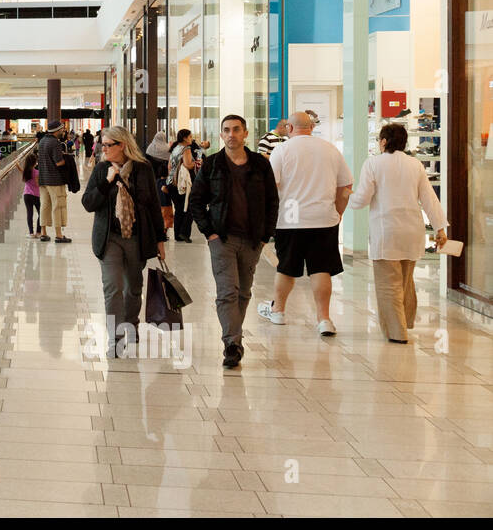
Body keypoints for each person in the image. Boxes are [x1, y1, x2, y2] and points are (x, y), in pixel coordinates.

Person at [189, 115, 279, 368]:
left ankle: (233, 338)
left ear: (245, 133)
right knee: (227, 292)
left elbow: (273, 201)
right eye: (226, 130)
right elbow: (196, 201)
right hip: (222, 238)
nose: (231, 135)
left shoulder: (260, 165)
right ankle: (232, 343)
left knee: (243, 292)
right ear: (221, 135)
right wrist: (210, 233)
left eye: (236, 130)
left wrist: (265, 236)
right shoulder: (212, 165)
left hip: (252, 240)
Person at [347, 123, 449, 343]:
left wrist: (348, 196)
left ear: (384, 141)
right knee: (405, 281)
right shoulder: (416, 165)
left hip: (387, 232)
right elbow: (429, 199)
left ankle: (397, 332)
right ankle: (405, 322)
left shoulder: (373, 164)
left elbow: (362, 200)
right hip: (412, 231)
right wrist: (440, 228)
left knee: (388, 284)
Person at [258, 111, 353, 336]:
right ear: (311, 127)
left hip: (290, 218)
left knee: (286, 267)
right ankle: (324, 320)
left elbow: (271, 186)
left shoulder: (282, 149)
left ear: (289, 128)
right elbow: (346, 185)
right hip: (323, 218)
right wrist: (339, 212)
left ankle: (278, 311)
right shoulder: (330, 149)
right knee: (321, 269)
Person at [81, 126, 167, 358]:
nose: (104, 149)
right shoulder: (102, 170)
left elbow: (152, 207)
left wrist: (160, 239)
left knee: (133, 287)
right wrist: (107, 182)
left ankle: (131, 323)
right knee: (112, 288)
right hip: (109, 238)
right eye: (103, 144)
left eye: (109, 145)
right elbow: (88, 203)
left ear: (123, 145)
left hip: (136, 237)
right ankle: (116, 339)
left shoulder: (142, 169)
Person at [36, 121, 80, 242]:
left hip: (43, 179)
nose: (63, 132)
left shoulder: (43, 141)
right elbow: (59, 162)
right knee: (58, 206)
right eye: (62, 129)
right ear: (57, 130)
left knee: (44, 206)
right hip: (55, 180)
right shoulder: (54, 142)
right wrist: (68, 159)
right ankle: (59, 235)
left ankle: (43, 233)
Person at [167, 129, 198, 242]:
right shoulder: (186, 149)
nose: (191, 139)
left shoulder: (174, 148)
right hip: (182, 183)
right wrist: (197, 163)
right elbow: (188, 164)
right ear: (185, 138)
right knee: (189, 207)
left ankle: (177, 235)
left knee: (179, 209)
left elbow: (169, 166)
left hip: (171, 182)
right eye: (190, 137)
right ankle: (184, 233)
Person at [21, 150, 42, 238]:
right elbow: (37, 184)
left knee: (30, 214)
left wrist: (17, 165)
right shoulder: (37, 172)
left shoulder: (26, 171)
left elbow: (21, 171)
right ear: (35, 162)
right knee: (40, 213)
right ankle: (38, 232)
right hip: (36, 195)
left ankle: (31, 233)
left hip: (27, 195)